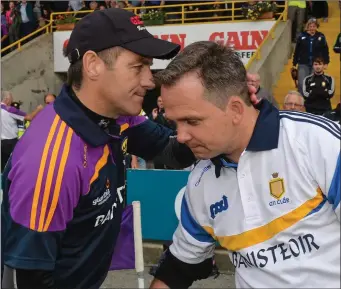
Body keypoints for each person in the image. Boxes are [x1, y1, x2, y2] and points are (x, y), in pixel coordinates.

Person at [0, 8, 257, 289]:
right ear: (93, 64)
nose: (150, 80)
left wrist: (227, 114)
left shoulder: (118, 118)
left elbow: (173, 151)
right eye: (138, 66)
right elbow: (25, 278)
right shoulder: (51, 161)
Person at [149, 41, 340, 288]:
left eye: (192, 121)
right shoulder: (200, 181)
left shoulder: (314, 142)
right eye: (175, 123)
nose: (181, 136)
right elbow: (180, 267)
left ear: (236, 109)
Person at [1, 91, 42, 171]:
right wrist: (38, 109)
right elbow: (29, 117)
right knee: (13, 167)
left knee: (2, 167)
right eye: (11, 99)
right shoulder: (10, 110)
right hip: (10, 143)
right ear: (7, 99)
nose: (12, 101)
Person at [292, 18, 329, 96]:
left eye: (314, 26)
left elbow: (325, 50)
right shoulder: (301, 36)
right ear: (307, 26)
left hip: (316, 64)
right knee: (301, 83)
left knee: (313, 83)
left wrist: (326, 62)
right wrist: (294, 62)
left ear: (316, 27)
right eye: (310, 26)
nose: (312, 28)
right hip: (303, 63)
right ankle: (301, 101)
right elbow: (297, 50)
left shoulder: (321, 36)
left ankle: (310, 100)